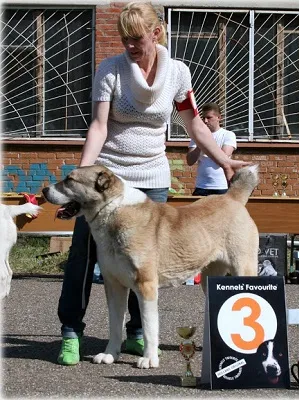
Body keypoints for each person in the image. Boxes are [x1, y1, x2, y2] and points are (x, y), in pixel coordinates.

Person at [57, 1, 251, 366]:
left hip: (152, 179)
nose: (129, 45)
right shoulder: (110, 70)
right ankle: (71, 332)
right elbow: (99, 126)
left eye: (136, 38)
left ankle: (135, 335)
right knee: (84, 255)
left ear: (156, 33)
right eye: (124, 38)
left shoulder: (178, 73)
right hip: (106, 176)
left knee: (141, 264)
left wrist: (223, 159)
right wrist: (80, 179)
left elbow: (194, 125)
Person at [187, 103, 237, 196]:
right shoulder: (197, 136)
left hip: (221, 187)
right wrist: (200, 144)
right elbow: (190, 161)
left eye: (209, 117)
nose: (205, 121)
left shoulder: (228, 135)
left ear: (219, 117)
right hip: (201, 187)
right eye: (204, 118)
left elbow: (223, 158)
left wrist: (207, 143)